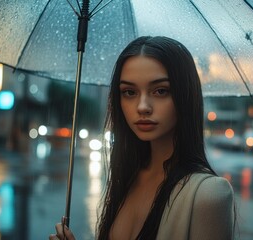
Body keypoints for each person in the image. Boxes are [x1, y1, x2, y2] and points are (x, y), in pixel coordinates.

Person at [49, 36, 235, 240]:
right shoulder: (129, 176)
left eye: (160, 91)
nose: (142, 106)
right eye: (129, 92)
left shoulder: (209, 194)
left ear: (185, 95)